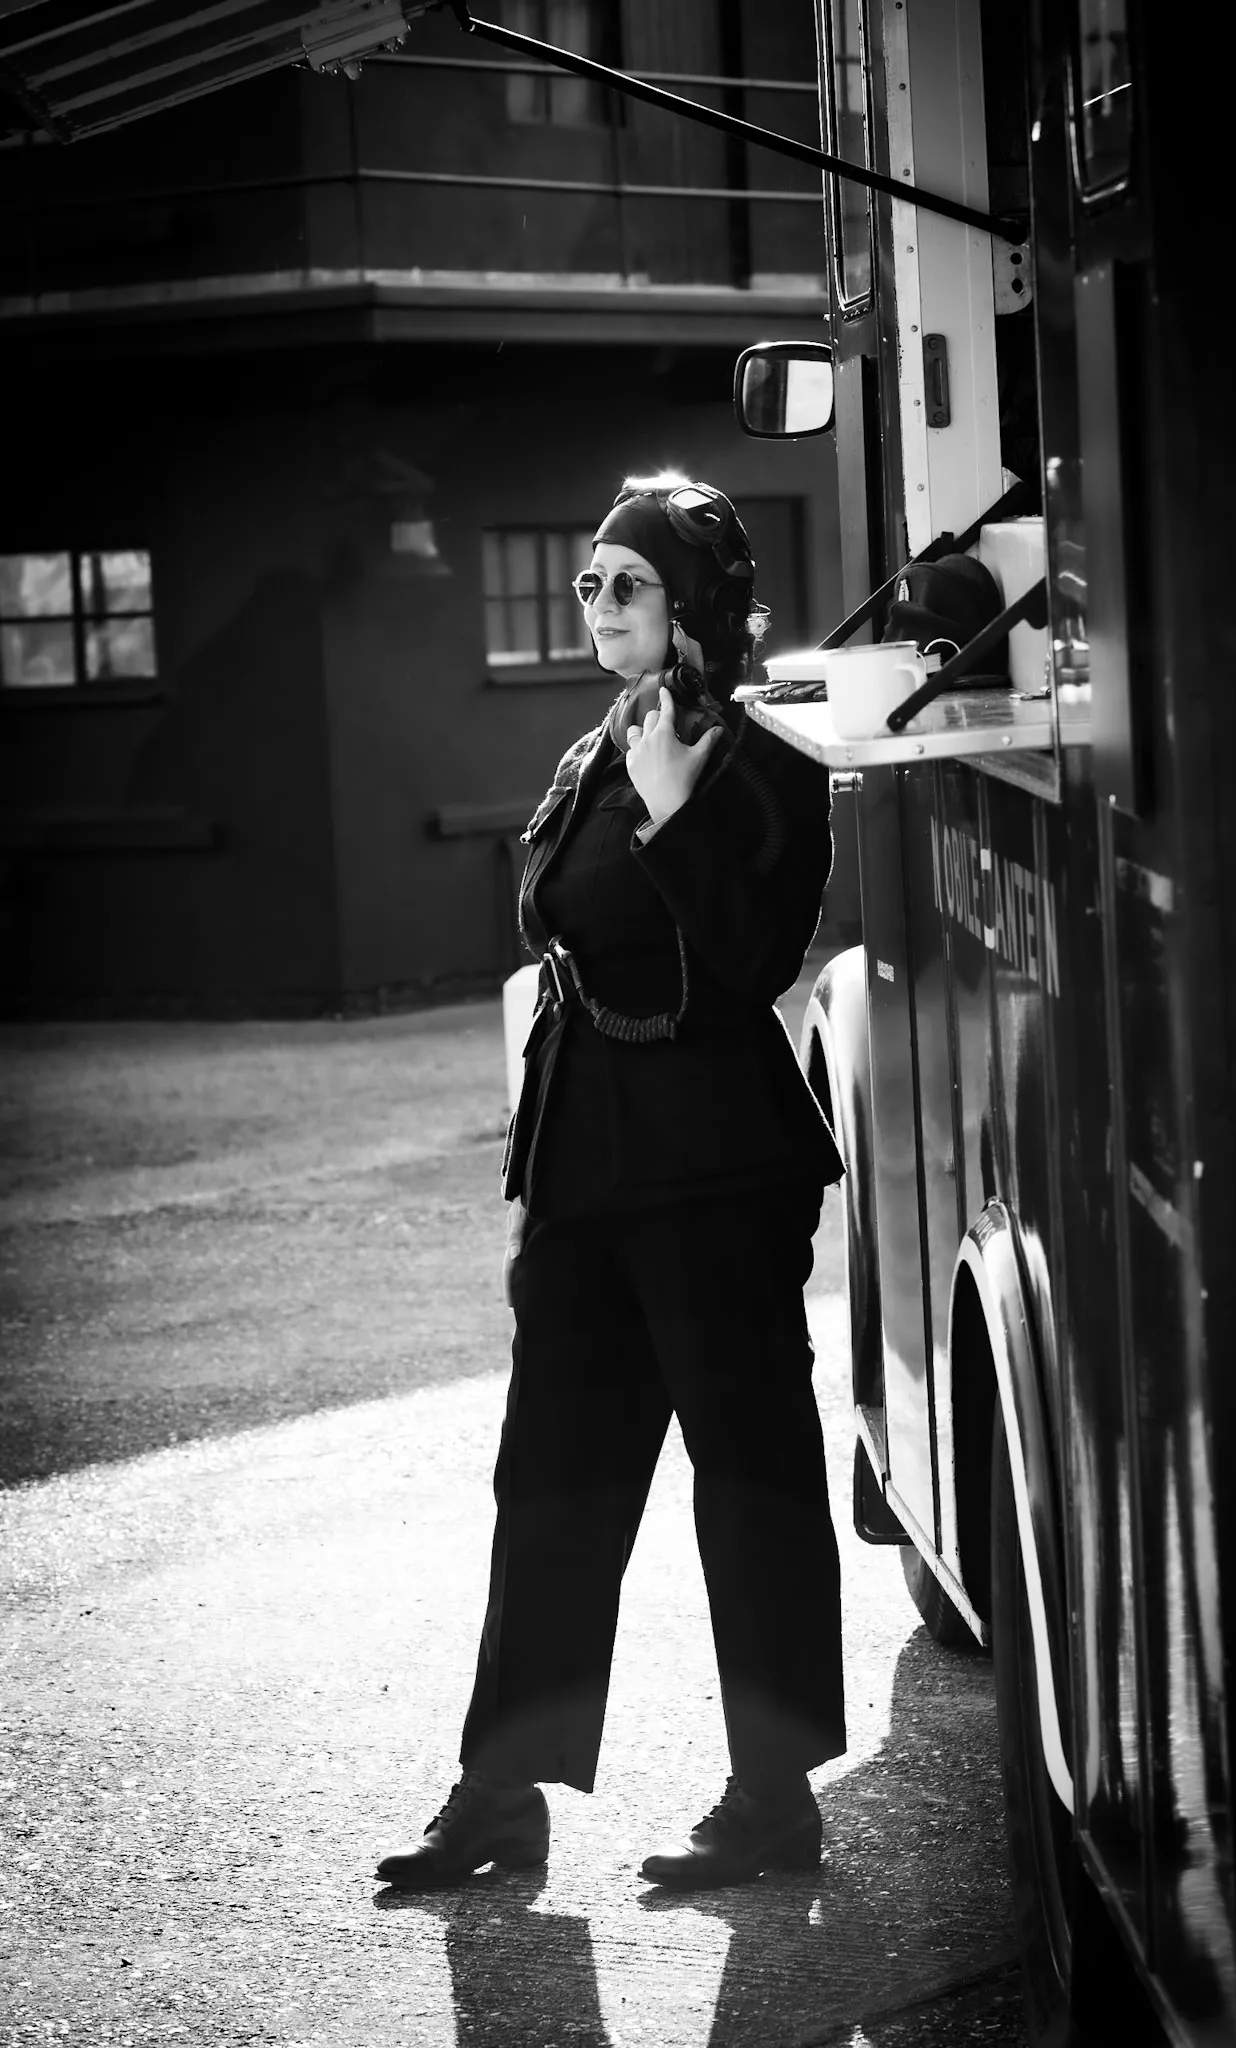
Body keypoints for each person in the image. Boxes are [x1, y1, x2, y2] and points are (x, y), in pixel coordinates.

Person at [377, 473, 847, 1893]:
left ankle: (774, 1798)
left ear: (694, 600)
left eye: (624, 582)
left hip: (715, 1172)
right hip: (586, 1166)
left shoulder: (764, 755)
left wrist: (677, 813)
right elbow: (559, 937)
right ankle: (499, 1793)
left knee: (749, 1482)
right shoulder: (604, 743)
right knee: (552, 1479)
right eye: (586, 581)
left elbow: (753, 963)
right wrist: (536, 1179)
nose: (595, 602)